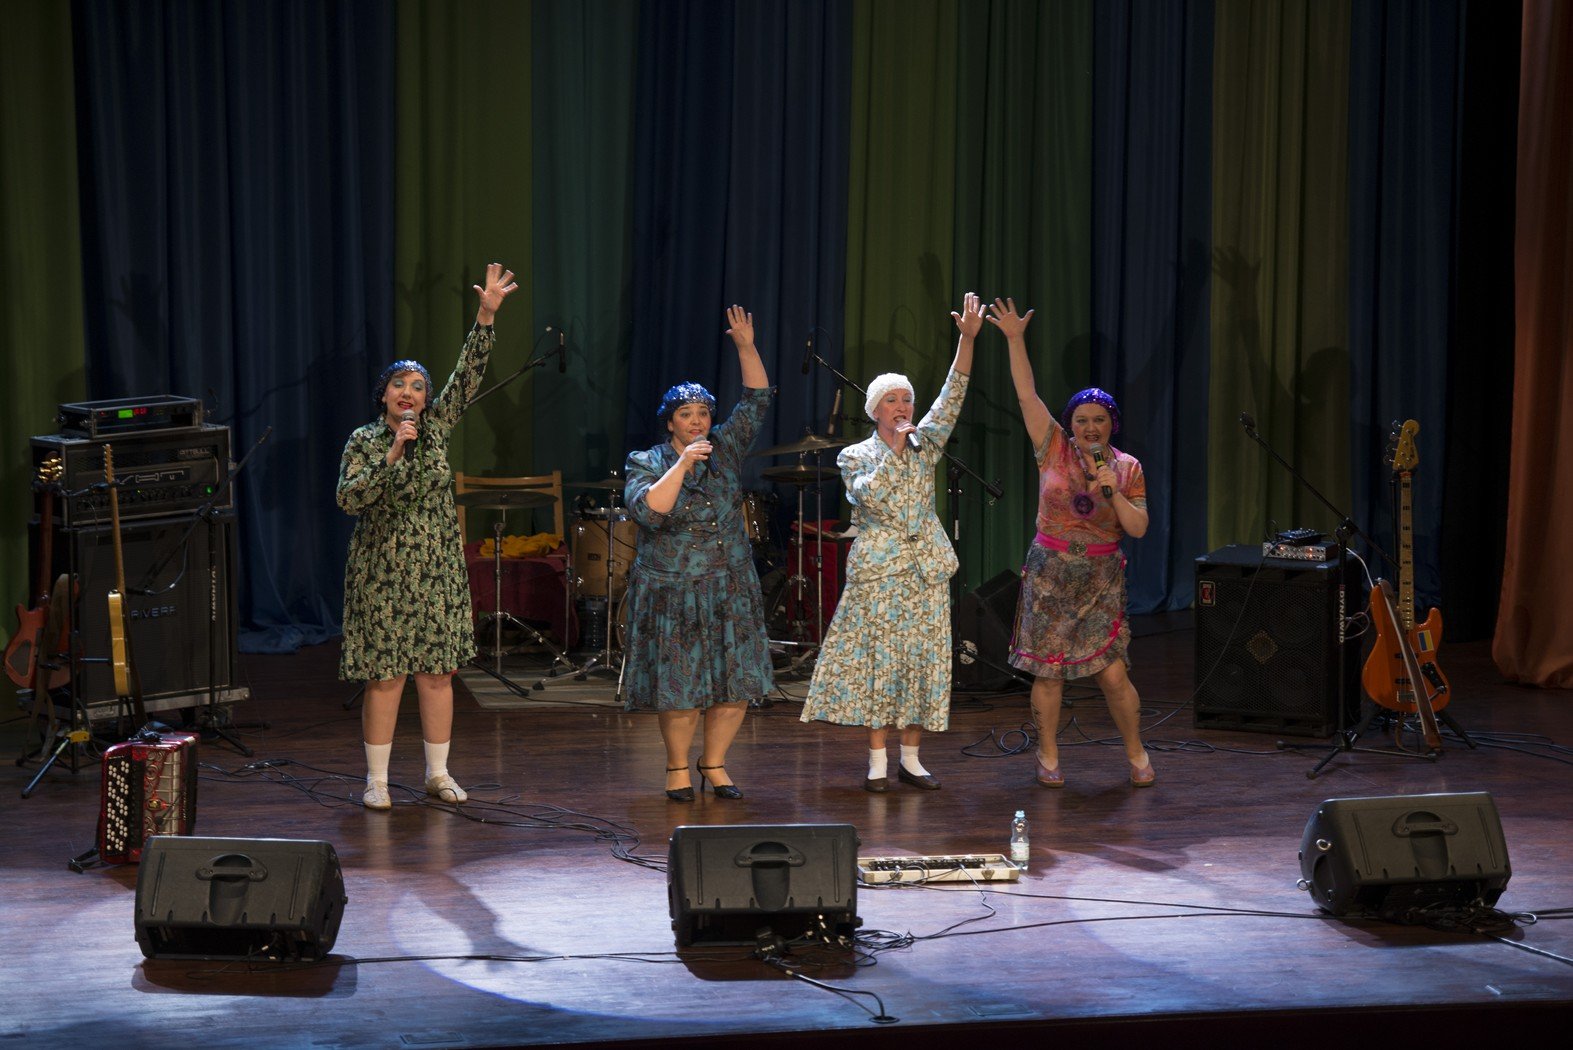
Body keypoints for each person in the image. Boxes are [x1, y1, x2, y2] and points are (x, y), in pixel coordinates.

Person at [337, 262, 519, 810]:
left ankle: (438, 774)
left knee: (438, 674)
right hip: (382, 570)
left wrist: (486, 316)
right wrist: (393, 454)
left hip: (437, 570)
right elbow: (349, 499)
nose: (409, 392)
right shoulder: (364, 441)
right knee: (386, 676)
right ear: (383, 395)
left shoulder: (436, 429)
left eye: (418, 386)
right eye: (399, 384)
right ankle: (377, 780)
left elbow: (468, 375)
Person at [800, 293, 982, 791]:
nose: (902, 407)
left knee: (921, 660)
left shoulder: (927, 443)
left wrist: (967, 340)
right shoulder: (855, 455)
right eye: (892, 400)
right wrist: (895, 451)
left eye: (907, 399)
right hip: (880, 568)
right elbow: (868, 498)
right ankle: (878, 760)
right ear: (874, 410)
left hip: (925, 566)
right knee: (880, 662)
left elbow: (953, 393)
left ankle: (912, 758)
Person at [987, 297, 1155, 788]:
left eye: (1098, 419)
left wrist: (1113, 491)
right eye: (1081, 419)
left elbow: (1138, 528)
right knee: (1048, 672)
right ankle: (1048, 754)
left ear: (1111, 425)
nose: (1089, 427)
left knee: (1112, 674)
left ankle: (1137, 753)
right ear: (1071, 424)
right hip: (1051, 571)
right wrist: (1015, 339)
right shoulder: (1053, 446)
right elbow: (1026, 394)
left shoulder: (1127, 468)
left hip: (1100, 577)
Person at [622, 305, 773, 801]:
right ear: (670, 423)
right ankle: (676, 768)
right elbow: (650, 512)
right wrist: (683, 464)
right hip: (674, 591)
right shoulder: (647, 460)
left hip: (729, 584)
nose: (697, 421)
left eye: (703, 413)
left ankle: (715, 763)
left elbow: (756, 401)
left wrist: (746, 346)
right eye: (686, 415)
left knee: (735, 681)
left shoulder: (725, 449)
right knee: (681, 685)